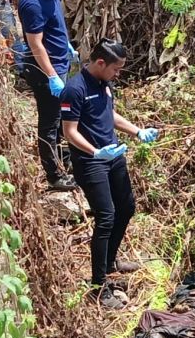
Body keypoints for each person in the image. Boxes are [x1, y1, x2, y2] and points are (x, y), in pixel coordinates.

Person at [60, 38, 159, 309]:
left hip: (113, 156)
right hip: (91, 162)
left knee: (126, 208)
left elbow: (109, 114)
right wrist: (95, 152)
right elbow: (70, 132)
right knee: (105, 217)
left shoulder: (105, 83)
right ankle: (98, 284)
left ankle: (111, 260)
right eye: (116, 69)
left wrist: (137, 130)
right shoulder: (74, 89)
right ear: (101, 63)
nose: (118, 74)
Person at [18, 0, 79, 191]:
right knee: (50, 123)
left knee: (63, 117)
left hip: (59, 64)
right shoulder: (32, 2)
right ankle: (54, 176)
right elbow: (36, 44)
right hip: (46, 72)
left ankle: (63, 159)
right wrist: (52, 76)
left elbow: (53, 25)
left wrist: (65, 45)